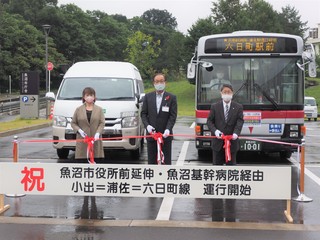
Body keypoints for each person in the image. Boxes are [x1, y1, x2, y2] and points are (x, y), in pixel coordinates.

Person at [141, 73, 177, 165]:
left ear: (165, 83)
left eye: (161, 81)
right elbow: (143, 114)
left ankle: (165, 179)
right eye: (157, 82)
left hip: (165, 136)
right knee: (152, 163)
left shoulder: (171, 98)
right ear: (153, 83)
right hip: (152, 135)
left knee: (166, 162)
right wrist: (147, 126)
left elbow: (172, 116)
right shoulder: (147, 97)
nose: (159, 84)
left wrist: (168, 129)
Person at [207, 84, 244, 165]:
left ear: (232, 93)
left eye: (228, 92)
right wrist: (215, 131)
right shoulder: (215, 107)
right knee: (217, 170)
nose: (226, 94)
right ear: (221, 93)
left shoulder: (238, 107)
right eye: (225, 92)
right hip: (218, 144)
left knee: (231, 170)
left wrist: (236, 133)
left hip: (232, 143)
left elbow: (240, 121)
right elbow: (209, 121)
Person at [71, 87, 105, 163]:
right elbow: (73, 123)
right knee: (82, 164)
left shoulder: (99, 109)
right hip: (83, 140)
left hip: (95, 140)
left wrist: (98, 133)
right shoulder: (78, 109)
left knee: (96, 163)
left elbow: (102, 123)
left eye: (91, 95)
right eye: (87, 95)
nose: (89, 97)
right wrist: (79, 130)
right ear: (84, 97)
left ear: (94, 97)